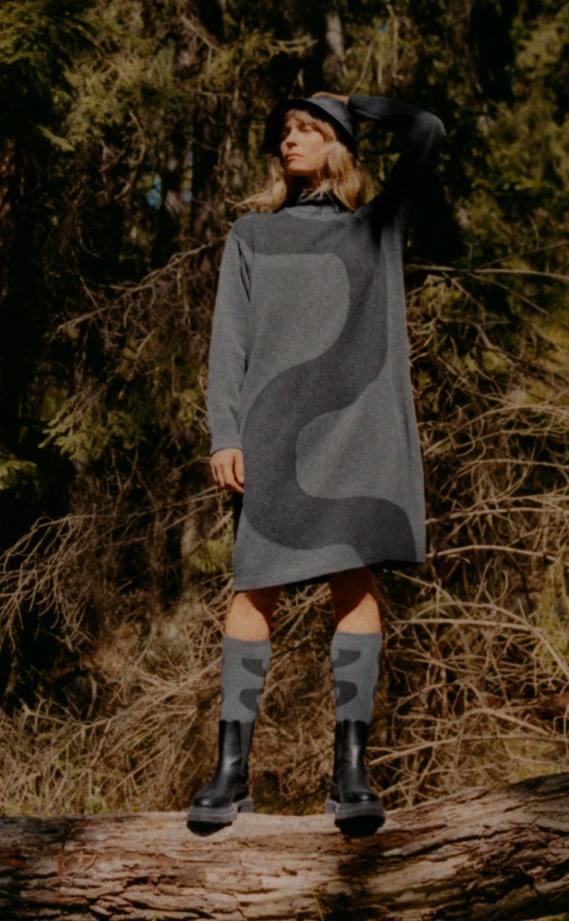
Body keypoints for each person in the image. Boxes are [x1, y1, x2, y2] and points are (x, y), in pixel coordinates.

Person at [188, 91, 445, 835]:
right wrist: (223, 432)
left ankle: (351, 774)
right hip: (273, 438)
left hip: (358, 436)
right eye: (283, 133)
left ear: (337, 143)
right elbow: (227, 342)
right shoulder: (251, 235)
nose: (289, 141)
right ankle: (231, 776)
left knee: (353, 583)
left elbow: (426, 128)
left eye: (305, 129)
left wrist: (353, 105)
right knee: (251, 591)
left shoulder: (377, 227)